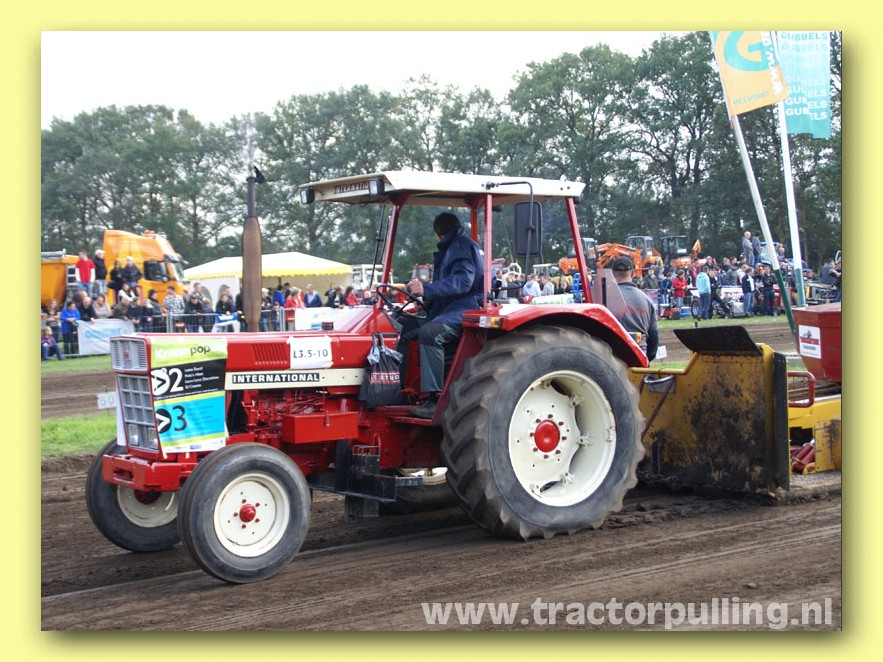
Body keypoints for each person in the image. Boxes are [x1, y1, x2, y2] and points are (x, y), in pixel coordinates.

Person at [401, 212, 484, 419]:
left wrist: (427, 289)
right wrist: (427, 299)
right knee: (402, 326)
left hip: (463, 309)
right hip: (447, 309)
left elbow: (464, 282)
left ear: (438, 233)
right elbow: (448, 285)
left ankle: (434, 399)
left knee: (430, 333)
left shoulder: (460, 246)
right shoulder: (451, 247)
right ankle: (400, 390)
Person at [609, 257, 658, 361]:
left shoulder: (604, 299)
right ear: (632, 273)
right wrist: (647, 359)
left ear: (612, 274)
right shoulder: (646, 300)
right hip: (639, 355)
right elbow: (653, 338)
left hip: (612, 357)